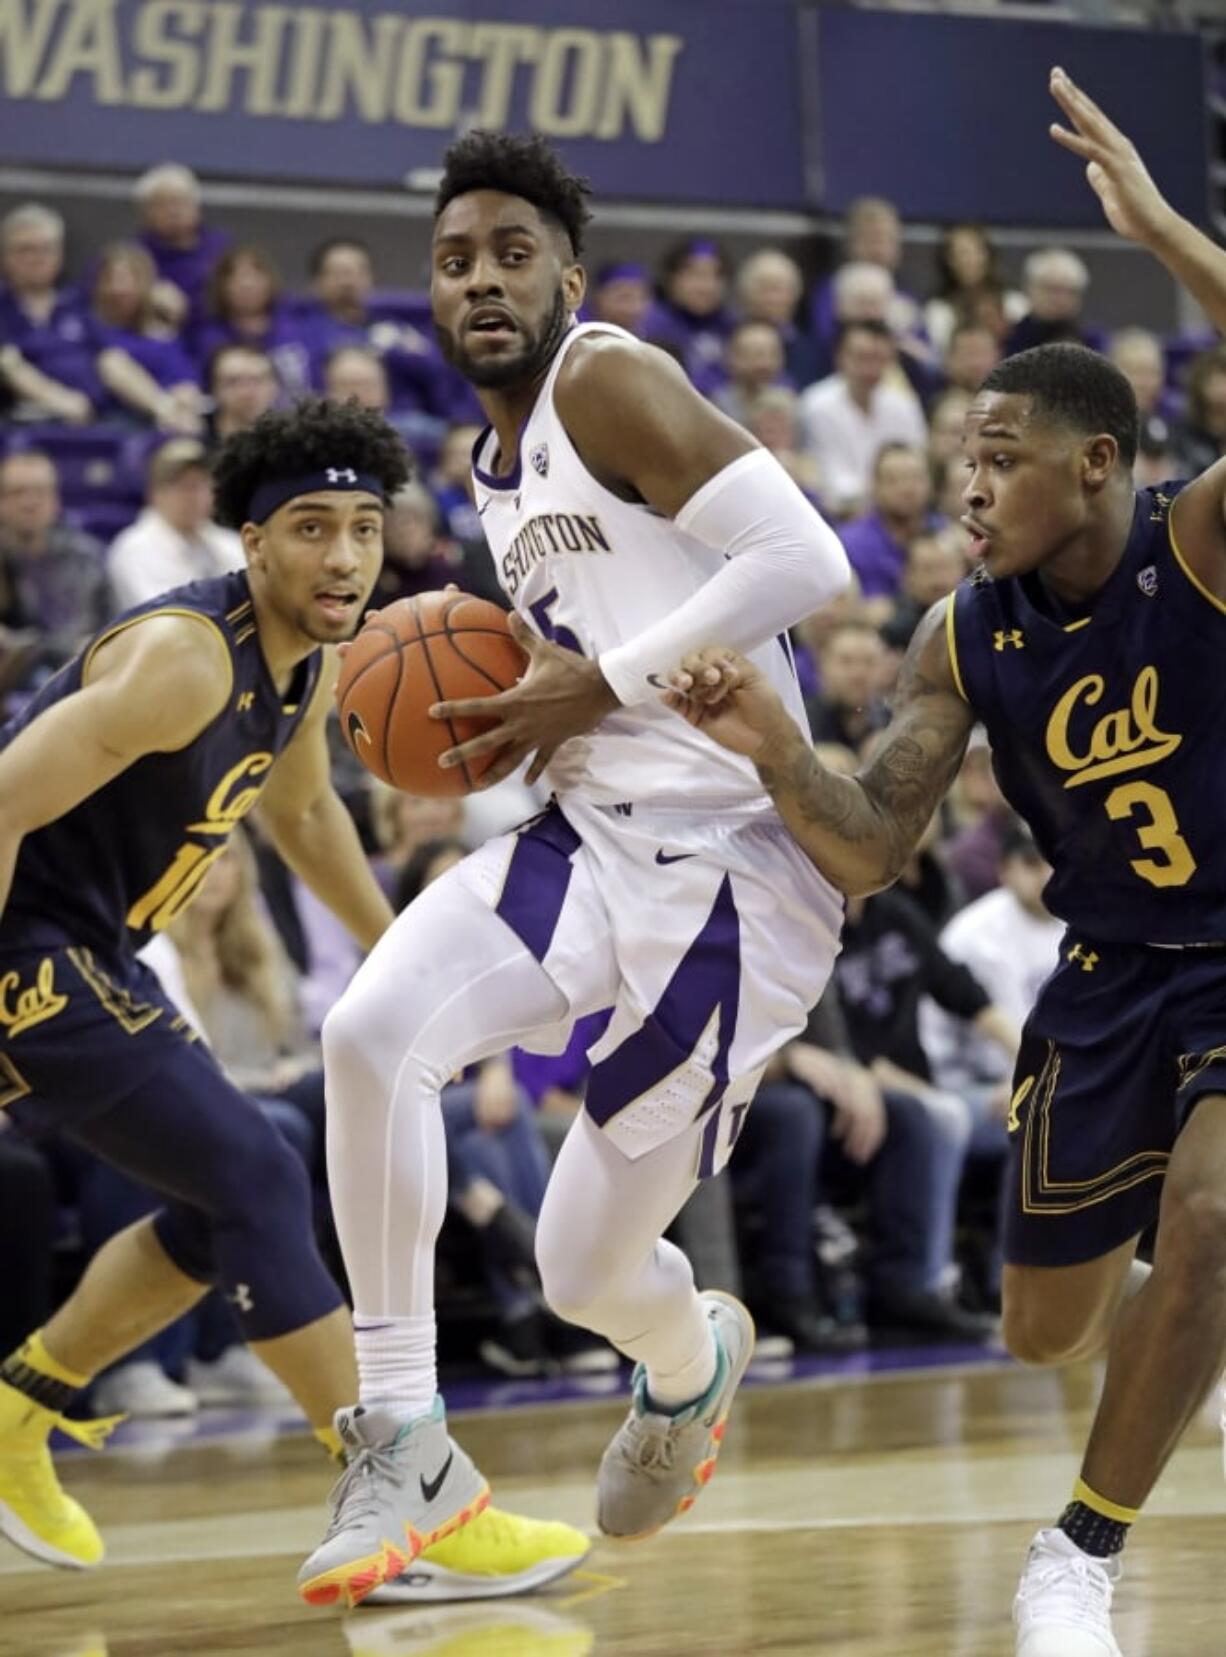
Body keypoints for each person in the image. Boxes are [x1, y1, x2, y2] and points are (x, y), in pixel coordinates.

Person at [665, 66, 1226, 1657]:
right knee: (1040, 1330)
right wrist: (776, 753)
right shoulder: (955, 635)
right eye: (960, 454)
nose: (965, 479)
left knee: (1210, 1218)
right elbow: (865, 851)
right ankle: (1182, 1344)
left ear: (1098, 464)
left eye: (999, 451)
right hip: (1110, 975)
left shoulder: (1198, 542)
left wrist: (1166, 230)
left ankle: (1076, 1557)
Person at [299, 129, 851, 1607]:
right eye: (455, 259)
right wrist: (544, 703)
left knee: (581, 1275)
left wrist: (593, 679)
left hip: (735, 875)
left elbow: (808, 563)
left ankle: (690, 1363)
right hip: (593, 832)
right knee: (368, 1032)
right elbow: (611, 639)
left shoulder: (603, 379)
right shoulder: (490, 460)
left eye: (510, 253)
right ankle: (405, 1435)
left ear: (567, 276)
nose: (481, 278)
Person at [0, 396, 586, 1604]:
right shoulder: (181, 662)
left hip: (91, 950)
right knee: (259, 1173)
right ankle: (406, 1492)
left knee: (237, 1194)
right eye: (311, 528)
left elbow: (308, 816)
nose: (344, 557)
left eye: (365, 529)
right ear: (252, 542)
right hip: (25, 950)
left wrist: (418, 961)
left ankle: (17, 1417)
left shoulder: (304, 667)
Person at [106, 439, 245, 610]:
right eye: (185, 487)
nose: (195, 497)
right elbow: (165, 616)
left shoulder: (230, 544)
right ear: (155, 493)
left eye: (203, 485)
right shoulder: (134, 549)